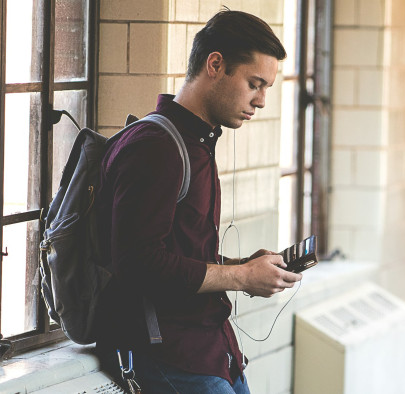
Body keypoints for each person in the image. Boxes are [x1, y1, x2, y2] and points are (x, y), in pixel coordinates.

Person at [95, 10, 302, 393]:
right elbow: (138, 263)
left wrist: (247, 267)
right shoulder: (156, 148)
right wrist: (240, 277)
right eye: (255, 83)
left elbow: (181, 256)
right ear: (216, 64)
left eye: (267, 88)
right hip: (169, 356)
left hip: (210, 351)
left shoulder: (197, 143)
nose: (260, 101)